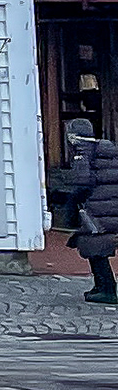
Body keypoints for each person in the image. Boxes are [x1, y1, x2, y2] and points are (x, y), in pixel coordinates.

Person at [62, 119, 118, 306]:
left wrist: (73, 202)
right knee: (98, 247)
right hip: (109, 205)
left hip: (95, 208)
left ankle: (107, 289)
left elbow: (82, 181)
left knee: (95, 248)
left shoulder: (83, 152)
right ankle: (101, 287)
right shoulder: (106, 150)